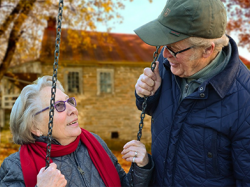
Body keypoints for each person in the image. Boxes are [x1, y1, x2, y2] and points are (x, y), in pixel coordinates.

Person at [134, 0, 250, 186]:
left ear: (207, 50)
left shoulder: (245, 101)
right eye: (165, 45)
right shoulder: (168, 67)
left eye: (174, 49)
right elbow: (153, 109)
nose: (165, 55)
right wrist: (146, 94)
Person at [0, 76, 154, 187]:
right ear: (35, 127)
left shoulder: (94, 143)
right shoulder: (16, 166)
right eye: (59, 106)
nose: (73, 110)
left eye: (69, 102)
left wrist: (142, 166)